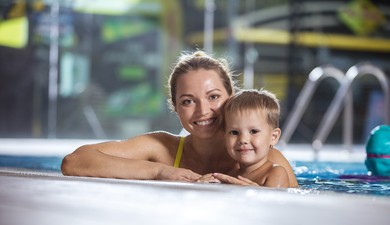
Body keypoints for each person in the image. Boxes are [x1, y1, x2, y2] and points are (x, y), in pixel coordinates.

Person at [61, 50, 298, 187]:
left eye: (213, 96)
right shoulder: (162, 149)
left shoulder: (266, 159)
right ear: (175, 107)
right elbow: (75, 161)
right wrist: (159, 172)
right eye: (187, 101)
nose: (202, 110)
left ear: (231, 98)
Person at [199, 89, 290, 187]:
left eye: (254, 131)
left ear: (273, 137)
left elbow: (276, 201)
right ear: (225, 136)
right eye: (234, 132)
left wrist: (256, 191)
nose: (243, 140)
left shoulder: (276, 173)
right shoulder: (230, 175)